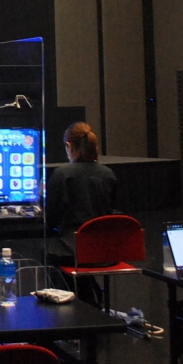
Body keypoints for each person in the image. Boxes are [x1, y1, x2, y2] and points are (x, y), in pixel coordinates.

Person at [44, 123, 117, 302]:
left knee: (51, 250)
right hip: (104, 252)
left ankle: (65, 304)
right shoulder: (108, 174)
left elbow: (51, 218)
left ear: (69, 146)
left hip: (71, 252)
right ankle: (90, 301)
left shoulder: (62, 174)